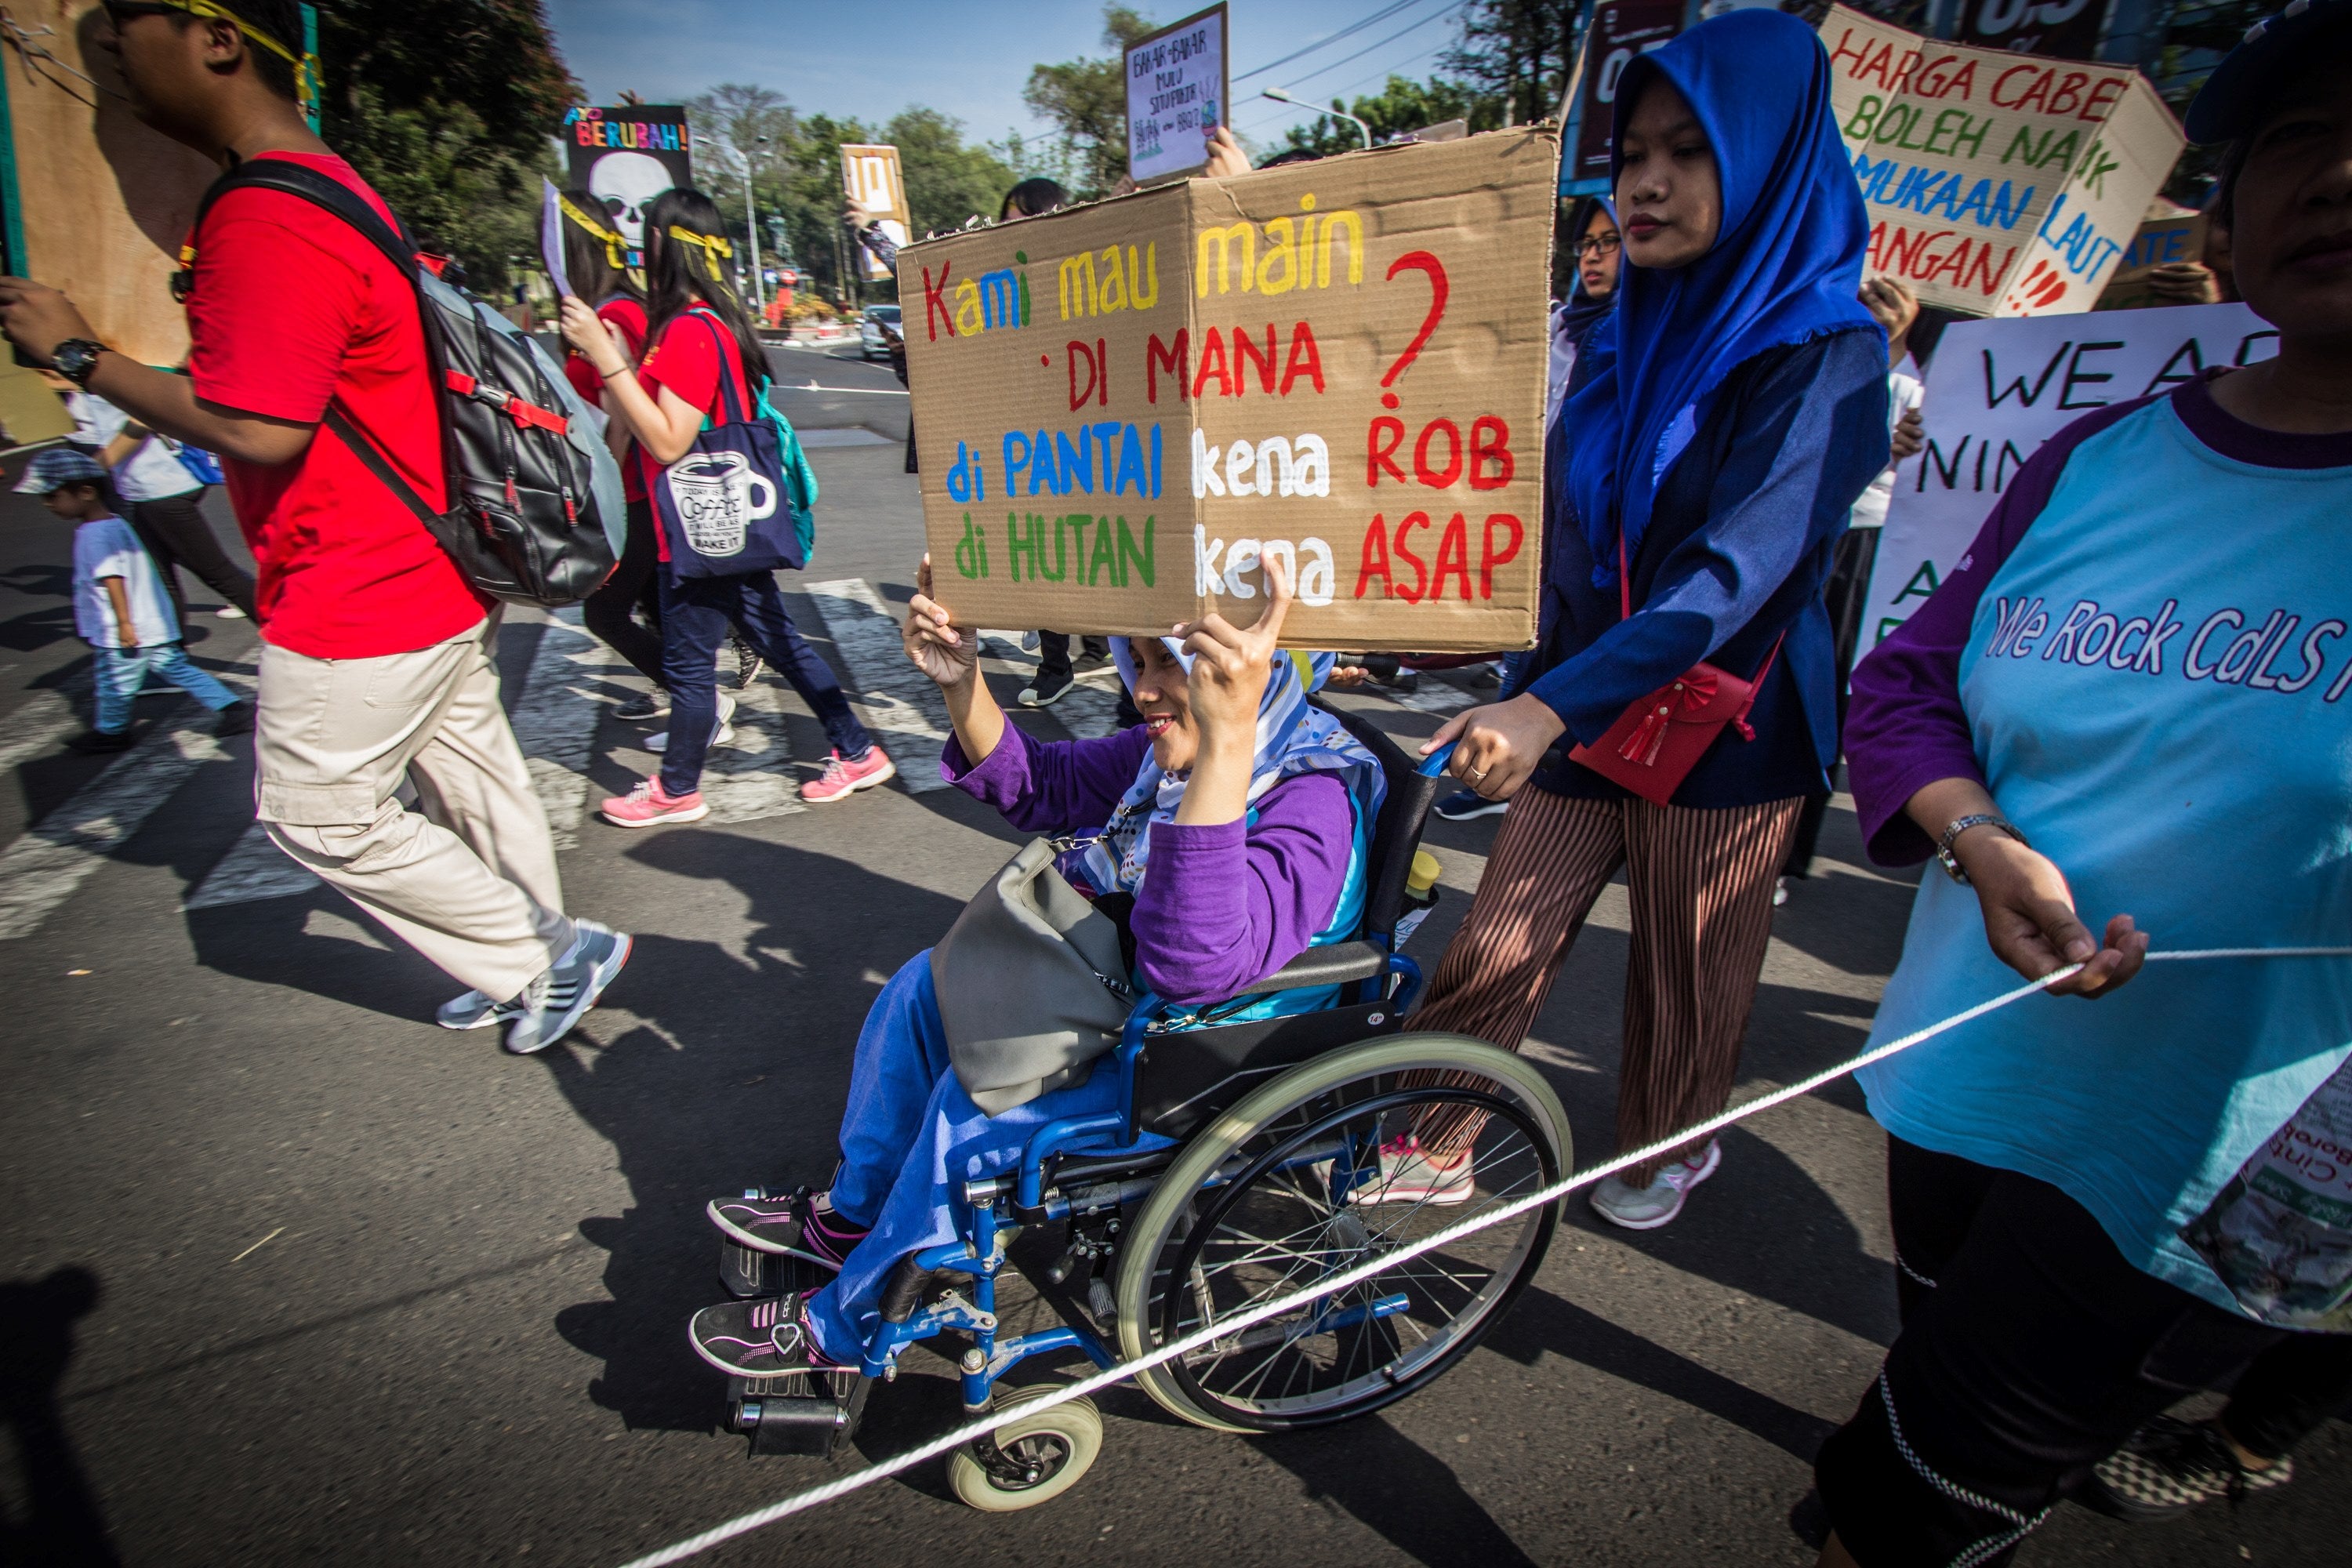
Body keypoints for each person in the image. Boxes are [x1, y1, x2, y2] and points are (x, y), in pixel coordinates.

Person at [1811, 9, 2352, 1563]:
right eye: (2304, 133)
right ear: (2230, 220)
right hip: (1963, 1069)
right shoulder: (2100, 454)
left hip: (2203, 1161)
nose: (2345, 170)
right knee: (1922, 1371)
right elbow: (1905, 684)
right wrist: (1976, 839)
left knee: (1897, 1514)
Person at [0, 0, 630, 1055]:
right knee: (472, 775)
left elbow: (259, 425)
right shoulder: (329, 188)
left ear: (216, 37)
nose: (104, 44)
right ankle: (529, 956)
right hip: (430, 557)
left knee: (315, 812)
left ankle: (542, 955)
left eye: (125, 22)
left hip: (357, 579)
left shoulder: (263, 214)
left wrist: (80, 359)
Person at [1395, 10, 1890, 1231]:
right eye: (1632, 155)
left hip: (1730, 722)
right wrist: (1445, 631)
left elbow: (1731, 578)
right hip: (1575, 694)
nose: (1648, 183)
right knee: (1499, 933)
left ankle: (1664, 1145)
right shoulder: (1617, 336)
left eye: (1690, 150)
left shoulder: (1830, 355)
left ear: (1772, 157)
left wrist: (1548, 699)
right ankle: (1436, 1131)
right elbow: (1561, 535)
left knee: (1688, 972)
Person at [684, 555, 1388, 1373]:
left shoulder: (1310, 799)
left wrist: (1226, 743)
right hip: (1125, 1000)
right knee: (923, 988)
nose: (1146, 690)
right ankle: (854, 1213)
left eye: (1169, 663)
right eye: (1140, 662)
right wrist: (961, 681)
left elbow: (1193, 967)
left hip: (1202, 1050)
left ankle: (849, 1327)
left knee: (974, 1111)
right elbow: (1037, 783)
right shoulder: (1172, 751)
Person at [568, 187, 891, 826]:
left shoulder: (689, 331)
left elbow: (667, 439)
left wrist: (609, 362)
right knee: (780, 645)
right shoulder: (713, 325)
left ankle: (678, 788)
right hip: (726, 525)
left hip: (699, 532)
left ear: (665, 245)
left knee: (691, 668)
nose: (641, 247)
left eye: (650, 235)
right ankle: (856, 749)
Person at [1777, 277, 1926, 895]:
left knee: (1819, 692)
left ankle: (1781, 858)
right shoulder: (1802, 346)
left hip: (1860, 538)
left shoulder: (1915, 386)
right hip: (1787, 529)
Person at [18, 449, 249, 753]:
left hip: (127, 630)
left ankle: (112, 733)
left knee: (114, 683)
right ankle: (234, 709)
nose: (49, 504)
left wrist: (124, 625)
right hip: (151, 623)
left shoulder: (94, 535)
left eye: (53, 495)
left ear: (86, 493)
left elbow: (112, 579)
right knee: (177, 669)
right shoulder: (116, 523)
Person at [553, 188, 669, 720]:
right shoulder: (621, 309)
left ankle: (698, 699)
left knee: (605, 612)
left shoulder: (611, 318)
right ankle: (687, 692)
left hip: (630, 490)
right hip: (637, 487)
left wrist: (601, 490)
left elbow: (622, 415)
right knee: (653, 604)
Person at [52, 374, 256, 625]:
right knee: (161, 579)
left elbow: (143, 420)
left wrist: (96, 466)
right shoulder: (81, 383)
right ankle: (172, 657)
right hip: (138, 489)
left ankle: (292, 636)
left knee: (216, 574)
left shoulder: (116, 370)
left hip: (161, 486)